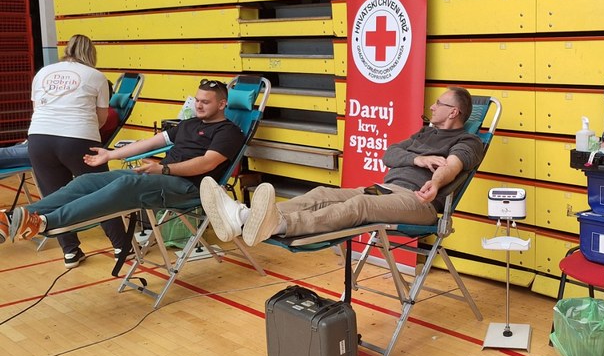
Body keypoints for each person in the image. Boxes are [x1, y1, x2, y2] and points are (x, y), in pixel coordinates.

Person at [201, 86, 484, 247]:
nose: (432, 106)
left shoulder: (467, 141)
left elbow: (452, 166)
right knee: (323, 194)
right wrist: (417, 159)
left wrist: (435, 182)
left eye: (439, 103)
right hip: (385, 190)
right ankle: (243, 216)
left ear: (454, 111)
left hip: (418, 202)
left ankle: (280, 223)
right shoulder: (424, 134)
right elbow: (390, 154)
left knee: (359, 205)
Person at [0, 79, 245, 250]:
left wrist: (163, 169)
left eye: (206, 102)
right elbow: (149, 143)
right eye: (197, 100)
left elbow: (206, 164)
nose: (198, 105)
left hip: (189, 188)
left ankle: (45, 222)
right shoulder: (188, 124)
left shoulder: (228, 132)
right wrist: (109, 156)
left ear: (222, 104)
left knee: (127, 183)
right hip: (161, 178)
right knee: (87, 180)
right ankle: (13, 218)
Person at [24, 35, 128, 268]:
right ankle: (122, 246)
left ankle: (70, 251)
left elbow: (37, 109)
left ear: (67, 50)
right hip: (77, 137)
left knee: (54, 197)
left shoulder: (42, 73)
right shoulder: (96, 76)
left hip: (39, 139)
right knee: (102, 192)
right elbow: (102, 118)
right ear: (91, 54)